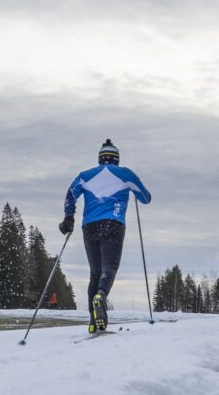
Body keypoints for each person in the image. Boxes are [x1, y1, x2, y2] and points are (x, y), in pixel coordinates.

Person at [59, 139, 151, 333]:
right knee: (110, 267)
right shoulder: (125, 174)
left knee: (94, 272)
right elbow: (146, 198)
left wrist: (69, 217)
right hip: (114, 223)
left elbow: (70, 194)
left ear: (100, 159)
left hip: (89, 226)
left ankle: (93, 319)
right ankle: (101, 295)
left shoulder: (85, 176)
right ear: (116, 159)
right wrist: (133, 189)